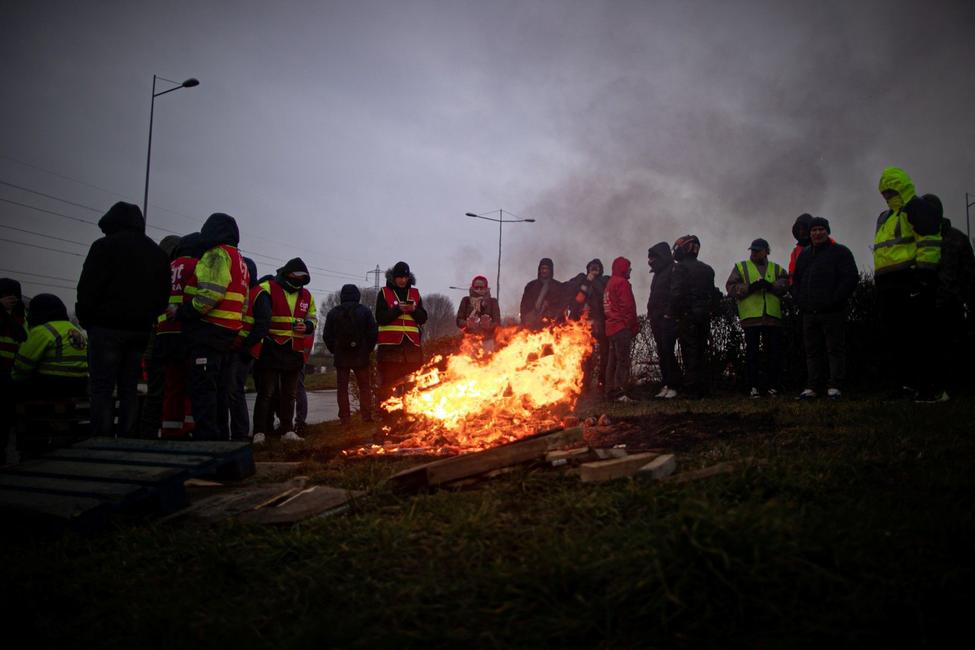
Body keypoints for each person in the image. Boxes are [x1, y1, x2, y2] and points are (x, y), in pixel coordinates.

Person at [76, 201, 170, 437]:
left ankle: (101, 440)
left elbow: (88, 288)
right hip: (139, 331)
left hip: (106, 328)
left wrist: (88, 319)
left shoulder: (104, 247)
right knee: (129, 388)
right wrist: (148, 317)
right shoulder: (157, 254)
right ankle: (127, 439)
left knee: (102, 388)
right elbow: (162, 296)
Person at [171, 213, 249, 440]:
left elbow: (210, 294)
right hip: (228, 335)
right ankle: (222, 445)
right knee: (220, 395)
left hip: (208, 332)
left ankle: (207, 447)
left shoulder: (217, 255)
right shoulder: (239, 260)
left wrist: (183, 312)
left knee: (204, 395)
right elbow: (243, 302)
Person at [874, 167, 944, 402]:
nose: (887, 195)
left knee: (918, 337)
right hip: (888, 284)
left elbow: (930, 241)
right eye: (884, 192)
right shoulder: (886, 217)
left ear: (901, 186)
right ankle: (903, 387)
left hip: (909, 279)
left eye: (890, 191)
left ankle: (929, 388)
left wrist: (923, 274)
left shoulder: (916, 208)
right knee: (895, 339)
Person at [791, 217, 858, 400]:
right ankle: (813, 386)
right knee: (812, 351)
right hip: (809, 312)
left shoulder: (840, 252)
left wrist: (835, 300)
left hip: (832, 311)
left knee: (834, 349)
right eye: (814, 230)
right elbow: (795, 281)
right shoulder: (804, 255)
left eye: (821, 229)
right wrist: (800, 301)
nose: (817, 233)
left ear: (827, 231)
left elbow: (851, 278)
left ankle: (835, 386)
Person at [251, 258, 316, 444]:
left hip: (294, 348)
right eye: (297, 277)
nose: (300, 282)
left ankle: (287, 429)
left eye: (304, 279)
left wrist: (309, 326)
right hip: (271, 346)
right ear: (288, 274)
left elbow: (312, 315)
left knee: (290, 393)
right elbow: (258, 315)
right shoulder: (267, 288)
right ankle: (260, 431)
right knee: (266, 392)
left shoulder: (306, 295)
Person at [726, 238, 789, 397]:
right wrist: (750, 287)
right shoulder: (741, 267)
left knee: (773, 354)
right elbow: (731, 287)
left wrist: (772, 286)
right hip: (751, 318)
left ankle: (772, 386)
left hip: (772, 317)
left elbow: (786, 284)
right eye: (752, 250)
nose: (754, 253)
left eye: (757, 250)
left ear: (766, 251)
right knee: (752, 354)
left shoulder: (777, 268)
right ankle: (752, 386)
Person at [925, 193, 975, 394]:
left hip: (952, 304)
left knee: (954, 347)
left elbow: (969, 274)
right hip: (929, 303)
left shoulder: (956, 238)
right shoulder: (922, 239)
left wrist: (965, 301)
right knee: (934, 349)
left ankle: (956, 388)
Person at [139, 234, 183, 437]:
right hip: (161, 341)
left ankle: (149, 433)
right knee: (163, 391)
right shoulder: (168, 274)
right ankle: (152, 432)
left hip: (156, 341)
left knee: (157, 392)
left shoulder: (152, 273)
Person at [12, 294, 88, 397]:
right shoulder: (75, 330)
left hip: (52, 385)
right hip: (81, 384)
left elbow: (22, 365)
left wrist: (12, 378)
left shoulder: (42, 331)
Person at [671, 235, 718, 398]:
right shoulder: (707, 269)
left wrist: (672, 313)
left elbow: (676, 294)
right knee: (701, 351)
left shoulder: (679, 268)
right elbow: (713, 294)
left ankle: (691, 389)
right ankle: (704, 388)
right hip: (704, 316)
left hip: (688, 316)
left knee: (689, 352)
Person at [375, 261, 427, 408]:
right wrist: (398, 310)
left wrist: (413, 310)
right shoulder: (384, 293)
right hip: (389, 351)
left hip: (411, 350)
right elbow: (380, 318)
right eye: (399, 277)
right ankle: (386, 415)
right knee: (388, 385)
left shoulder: (415, 294)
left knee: (411, 385)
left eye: (405, 277)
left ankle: (410, 414)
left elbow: (423, 318)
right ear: (394, 278)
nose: (402, 280)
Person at [227, 257, 268, 441]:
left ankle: (240, 433)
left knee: (234, 390)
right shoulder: (241, 291)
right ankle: (233, 431)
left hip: (244, 351)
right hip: (232, 347)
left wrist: (246, 348)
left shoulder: (258, 294)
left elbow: (261, 325)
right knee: (229, 390)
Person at [324, 284, 378, 422]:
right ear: (357, 296)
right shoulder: (365, 311)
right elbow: (373, 333)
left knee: (342, 389)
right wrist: (367, 349)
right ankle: (366, 416)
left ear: (342, 296)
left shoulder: (333, 313)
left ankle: (344, 417)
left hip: (341, 357)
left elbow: (327, 335)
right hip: (361, 356)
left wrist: (334, 350)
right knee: (365, 387)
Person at [564, 259, 609, 392]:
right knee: (586, 356)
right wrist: (586, 282)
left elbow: (603, 295)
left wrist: (593, 281)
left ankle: (603, 382)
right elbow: (577, 300)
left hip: (600, 322)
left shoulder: (604, 281)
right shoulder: (582, 282)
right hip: (584, 325)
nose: (594, 269)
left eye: (597, 268)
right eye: (591, 267)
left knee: (604, 353)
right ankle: (585, 384)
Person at [603, 257, 639, 401]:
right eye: (628, 267)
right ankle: (620, 392)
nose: (630, 270)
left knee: (612, 361)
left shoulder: (609, 284)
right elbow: (628, 307)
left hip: (611, 328)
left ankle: (610, 391)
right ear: (622, 268)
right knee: (622, 361)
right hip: (621, 328)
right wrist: (631, 326)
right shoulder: (621, 283)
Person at [647, 243, 680, 399]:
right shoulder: (657, 274)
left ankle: (674, 385)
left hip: (667, 318)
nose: (650, 261)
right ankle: (666, 384)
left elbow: (674, 293)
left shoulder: (672, 270)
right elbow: (653, 295)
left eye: (653, 257)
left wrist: (669, 313)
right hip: (656, 318)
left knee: (668, 351)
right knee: (662, 352)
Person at [1, 278, 28, 462]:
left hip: (10, 375)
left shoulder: (22, 319)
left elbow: (23, 339)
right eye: (5, 295)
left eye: (13, 295)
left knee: (5, 419)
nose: (10, 299)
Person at [456, 275, 502, 351]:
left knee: (489, 361)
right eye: (476, 287)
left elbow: (497, 322)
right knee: (468, 361)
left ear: (486, 288)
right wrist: (468, 323)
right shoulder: (466, 301)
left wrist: (488, 325)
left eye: (482, 287)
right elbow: (458, 321)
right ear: (472, 287)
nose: (479, 290)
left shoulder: (493, 302)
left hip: (488, 341)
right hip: (469, 341)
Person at [519, 258, 563, 330]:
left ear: (550, 270)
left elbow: (561, 306)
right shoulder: (531, 286)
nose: (544, 271)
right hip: (533, 325)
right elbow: (524, 306)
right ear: (539, 270)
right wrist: (524, 319)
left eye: (546, 269)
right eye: (542, 268)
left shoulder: (558, 287)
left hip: (552, 326)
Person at [788, 214, 814, 283]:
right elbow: (792, 275)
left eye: (804, 229)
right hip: (803, 291)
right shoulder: (795, 252)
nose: (801, 232)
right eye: (799, 229)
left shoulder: (828, 245)